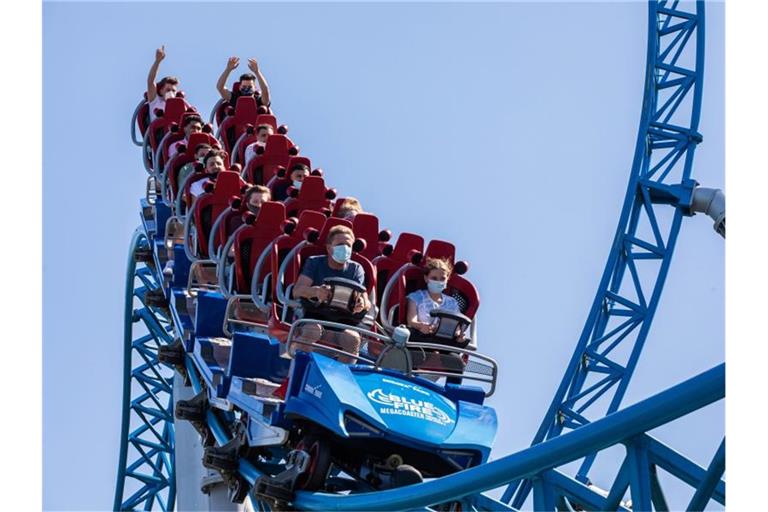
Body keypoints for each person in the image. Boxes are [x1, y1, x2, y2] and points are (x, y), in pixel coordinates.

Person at [292, 225, 372, 362]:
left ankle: (341, 378)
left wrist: (362, 304)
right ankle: (297, 370)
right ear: (329, 248)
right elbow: (297, 291)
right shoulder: (314, 262)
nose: (345, 248)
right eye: (340, 244)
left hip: (343, 320)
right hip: (315, 315)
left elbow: (366, 301)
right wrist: (316, 291)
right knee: (312, 331)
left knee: (352, 339)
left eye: (348, 245)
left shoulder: (356, 269)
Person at [406, 257, 460, 336]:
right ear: (426, 278)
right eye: (434, 278)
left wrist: (459, 335)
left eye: (442, 279)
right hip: (421, 339)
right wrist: (421, 326)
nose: (438, 282)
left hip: (444, 343)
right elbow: (411, 321)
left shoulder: (452, 303)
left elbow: (457, 328)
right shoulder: (416, 297)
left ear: (447, 279)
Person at [146, 46, 179, 122]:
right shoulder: (156, 101)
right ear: (161, 91)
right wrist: (157, 61)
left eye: (173, 91)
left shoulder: (179, 106)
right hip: (161, 131)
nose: (171, 93)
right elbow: (150, 81)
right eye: (168, 90)